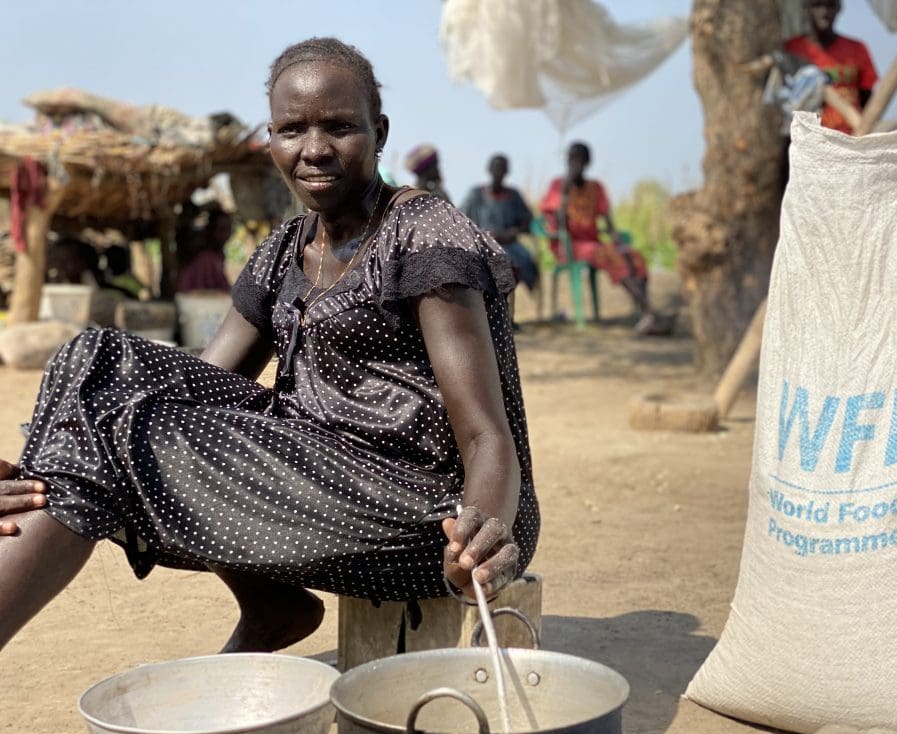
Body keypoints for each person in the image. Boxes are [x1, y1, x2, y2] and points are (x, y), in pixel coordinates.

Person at [0, 36, 539, 656]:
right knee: (97, 364)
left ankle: (267, 603)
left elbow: (485, 435)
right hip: (317, 486)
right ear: (271, 138)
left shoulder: (420, 234)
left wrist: (481, 537)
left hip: (430, 513)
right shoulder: (286, 250)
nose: (314, 150)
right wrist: (46, 460)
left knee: (113, 425)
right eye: (291, 130)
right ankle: (269, 603)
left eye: (340, 127)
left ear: (379, 131)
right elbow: (189, 389)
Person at [539, 141, 670, 336]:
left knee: (634, 257)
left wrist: (617, 240)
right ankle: (651, 313)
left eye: (579, 159)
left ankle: (645, 313)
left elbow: (608, 223)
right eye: (571, 159)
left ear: (587, 162)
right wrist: (565, 195)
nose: (575, 163)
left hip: (594, 243)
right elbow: (557, 223)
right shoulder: (558, 186)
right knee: (609, 255)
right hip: (569, 247)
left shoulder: (596, 187)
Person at [783, 0, 877, 134]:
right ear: (807, 8)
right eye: (817, 5)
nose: (824, 12)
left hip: (851, 136)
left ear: (838, 8)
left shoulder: (857, 49)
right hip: (808, 139)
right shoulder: (792, 49)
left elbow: (867, 97)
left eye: (830, 5)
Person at [461, 153, 538, 313]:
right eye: (495, 168)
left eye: (502, 169)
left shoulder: (514, 195)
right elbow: (461, 219)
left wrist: (514, 231)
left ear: (507, 172)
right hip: (483, 245)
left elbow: (527, 220)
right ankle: (494, 312)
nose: (498, 172)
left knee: (518, 265)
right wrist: (482, 235)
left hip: (511, 245)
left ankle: (507, 314)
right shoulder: (476, 195)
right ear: (489, 170)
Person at [177, 207, 233, 293]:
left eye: (228, 229)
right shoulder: (206, 258)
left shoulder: (218, 255)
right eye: (221, 229)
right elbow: (207, 290)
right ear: (212, 230)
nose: (226, 234)